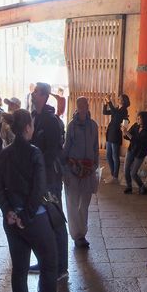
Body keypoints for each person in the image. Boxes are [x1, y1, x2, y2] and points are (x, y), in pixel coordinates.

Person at [0, 109, 71, 292]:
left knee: (18, 270)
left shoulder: (3, 154)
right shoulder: (34, 152)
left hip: (11, 221)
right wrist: (25, 217)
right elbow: (39, 189)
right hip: (34, 219)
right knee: (50, 264)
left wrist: (10, 212)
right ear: (28, 127)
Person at [28, 82, 68, 279]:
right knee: (42, 221)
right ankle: (46, 261)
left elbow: (53, 151)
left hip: (49, 178)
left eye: (35, 92)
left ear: (43, 95)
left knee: (56, 220)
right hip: (38, 176)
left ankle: (61, 268)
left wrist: (38, 165)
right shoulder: (36, 117)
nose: (33, 95)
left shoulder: (51, 121)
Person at [63, 97, 100, 251]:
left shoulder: (93, 126)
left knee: (84, 203)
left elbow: (95, 146)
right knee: (72, 202)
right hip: (73, 167)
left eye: (84, 104)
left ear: (88, 106)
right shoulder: (71, 126)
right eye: (79, 105)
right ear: (76, 107)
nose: (82, 107)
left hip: (88, 169)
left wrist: (95, 165)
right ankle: (76, 235)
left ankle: (82, 233)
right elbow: (66, 148)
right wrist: (65, 170)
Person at [103, 94, 130, 183]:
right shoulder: (117, 108)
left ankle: (115, 176)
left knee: (115, 156)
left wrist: (109, 101)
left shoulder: (124, 110)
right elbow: (105, 112)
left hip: (116, 133)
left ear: (124, 101)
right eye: (118, 98)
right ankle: (113, 175)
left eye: (120, 98)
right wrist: (105, 103)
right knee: (108, 155)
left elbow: (116, 114)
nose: (118, 99)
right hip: (110, 132)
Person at [125, 112, 147, 194]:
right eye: (137, 118)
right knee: (126, 169)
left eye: (139, 118)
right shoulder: (135, 126)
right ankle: (129, 187)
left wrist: (127, 133)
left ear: (144, 119)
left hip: (140, 153)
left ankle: (142, 186)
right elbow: (127, 136)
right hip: (131, 150)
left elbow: (138, 141)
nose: (137, 119)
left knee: (133, 173)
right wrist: (124, 131)